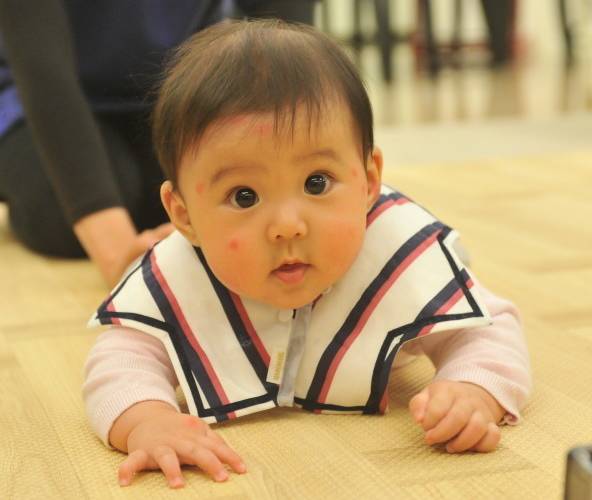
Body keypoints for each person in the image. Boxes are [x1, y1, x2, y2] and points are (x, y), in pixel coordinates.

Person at [84, 20, 531, 489]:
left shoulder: (395, 252)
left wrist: (472, 389)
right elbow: (120, 358)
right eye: (244, 196)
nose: (287, 226)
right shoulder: (177, 271)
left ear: (368, 178)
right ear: (184, 214)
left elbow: (490, 329)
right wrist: (146, 419)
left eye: (316, 183)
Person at [0, 0, 315, 287]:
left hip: (169, 99)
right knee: (60, 212)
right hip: (29, 102)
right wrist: (120, 259)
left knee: (201, 193)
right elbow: (42, 67)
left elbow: (286, 34)